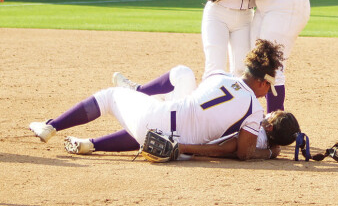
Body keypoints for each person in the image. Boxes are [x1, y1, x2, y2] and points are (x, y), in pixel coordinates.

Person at [29, 39, 288, 161]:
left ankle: (52, 126)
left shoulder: (218, 74)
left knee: (110, 96)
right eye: (269, 87)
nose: (267, 93)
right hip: (175, 145)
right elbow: (244, 153)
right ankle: (92, 144)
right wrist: (269, 153)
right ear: (263, 82)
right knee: (160, 110)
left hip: (160, 120)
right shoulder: (254, 108)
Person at [63, 67, 300, 160]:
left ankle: (137, 90)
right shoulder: (258, 125)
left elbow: (235, 150)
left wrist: (184, 148)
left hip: (182, 137)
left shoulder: (256, 130)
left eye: (274, 115)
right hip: (182, 131)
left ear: (269, 127)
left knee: (181, 77)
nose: (270, 112)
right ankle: (91, 144)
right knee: (155, 115)